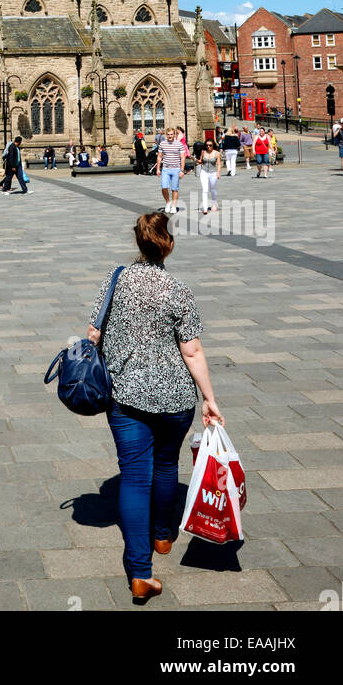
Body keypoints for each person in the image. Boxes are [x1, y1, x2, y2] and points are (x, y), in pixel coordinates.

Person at [87, 211, 223, 603]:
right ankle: (163, 535)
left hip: (126, 397)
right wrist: (210, 400)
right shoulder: (177, 289)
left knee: (133, 479)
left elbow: (93, 333)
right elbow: (192, 350)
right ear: (169, 245)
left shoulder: (115, 281)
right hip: (175, 399)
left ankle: (140, 572)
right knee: (166, 465)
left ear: (138, 243)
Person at [157, 125, 185, 215]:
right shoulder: (162, 144)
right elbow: (159, 157)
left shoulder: (179, 144)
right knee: (164, 187)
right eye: (168, 134)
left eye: (171, 134)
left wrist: (182, 170)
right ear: (166, 135)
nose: (170, 136)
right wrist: (158, 169)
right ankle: (168, 202)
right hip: (165, 168)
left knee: (174, 189)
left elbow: (183, 158)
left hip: (176, 169)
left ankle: (173, 206)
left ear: (174, 135)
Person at [197, 138, 221, 214]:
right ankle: (205, 207)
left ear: (213, 145)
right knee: (205, 190)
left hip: (213, 172)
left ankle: (214, 204)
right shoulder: (203, 152)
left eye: (210, 145)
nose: (208, 147)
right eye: (207, 145)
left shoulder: (217, 153)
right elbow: (201, 161)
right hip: (204, 172)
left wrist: (218, 172)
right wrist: (197, 161)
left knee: (213, 190)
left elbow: (219, 164)